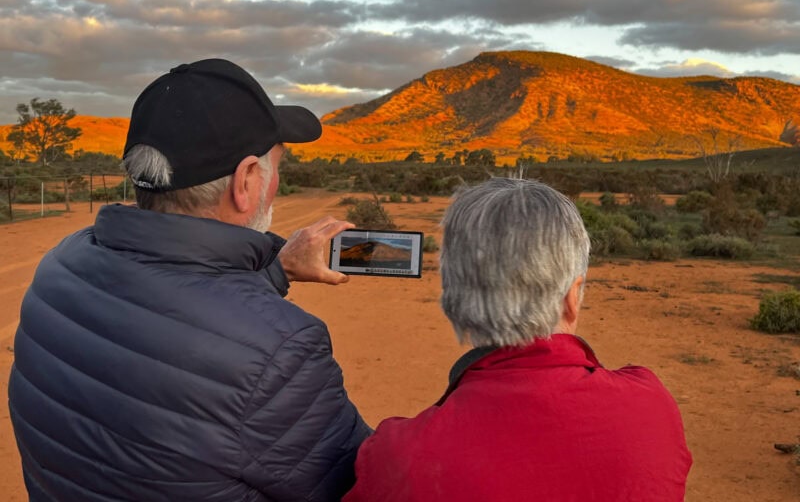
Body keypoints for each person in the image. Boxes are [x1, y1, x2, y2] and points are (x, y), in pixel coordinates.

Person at [8, 58, 371, 501]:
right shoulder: (280, 353)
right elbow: (364, 484)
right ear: (245, 182)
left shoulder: (60, 267)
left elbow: (182, 319)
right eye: (276, 167)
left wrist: (275, 271)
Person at [344, 178, 692, 501]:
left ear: (454, 297)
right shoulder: (650, 407)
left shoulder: (398, 456)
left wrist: (286, 277)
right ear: (572, 297)